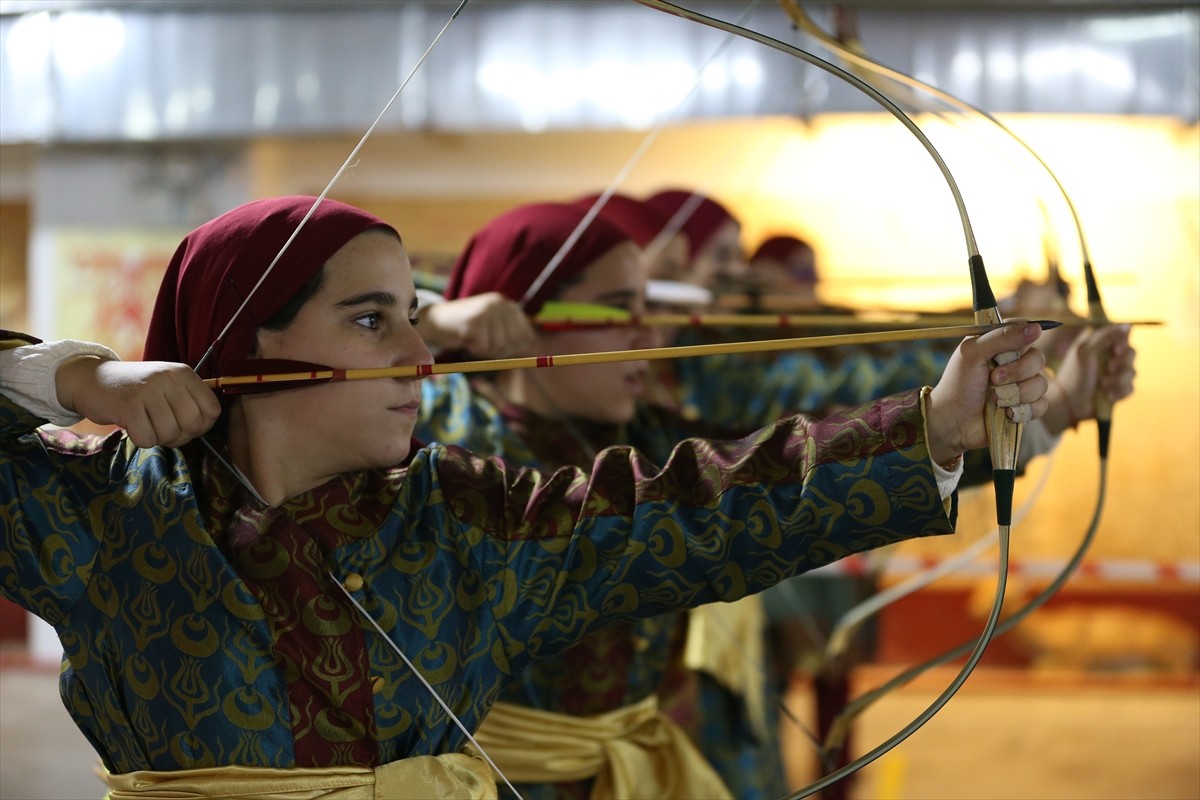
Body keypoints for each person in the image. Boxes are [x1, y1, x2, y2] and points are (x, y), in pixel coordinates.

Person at [1, 195, 1049, 799]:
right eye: (372, 321)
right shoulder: (104, 514)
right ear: (246, 346)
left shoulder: (464, 514)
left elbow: (696, 509)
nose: (421, 353)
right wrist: (77, 376)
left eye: (415, 316)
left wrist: (934, 425)